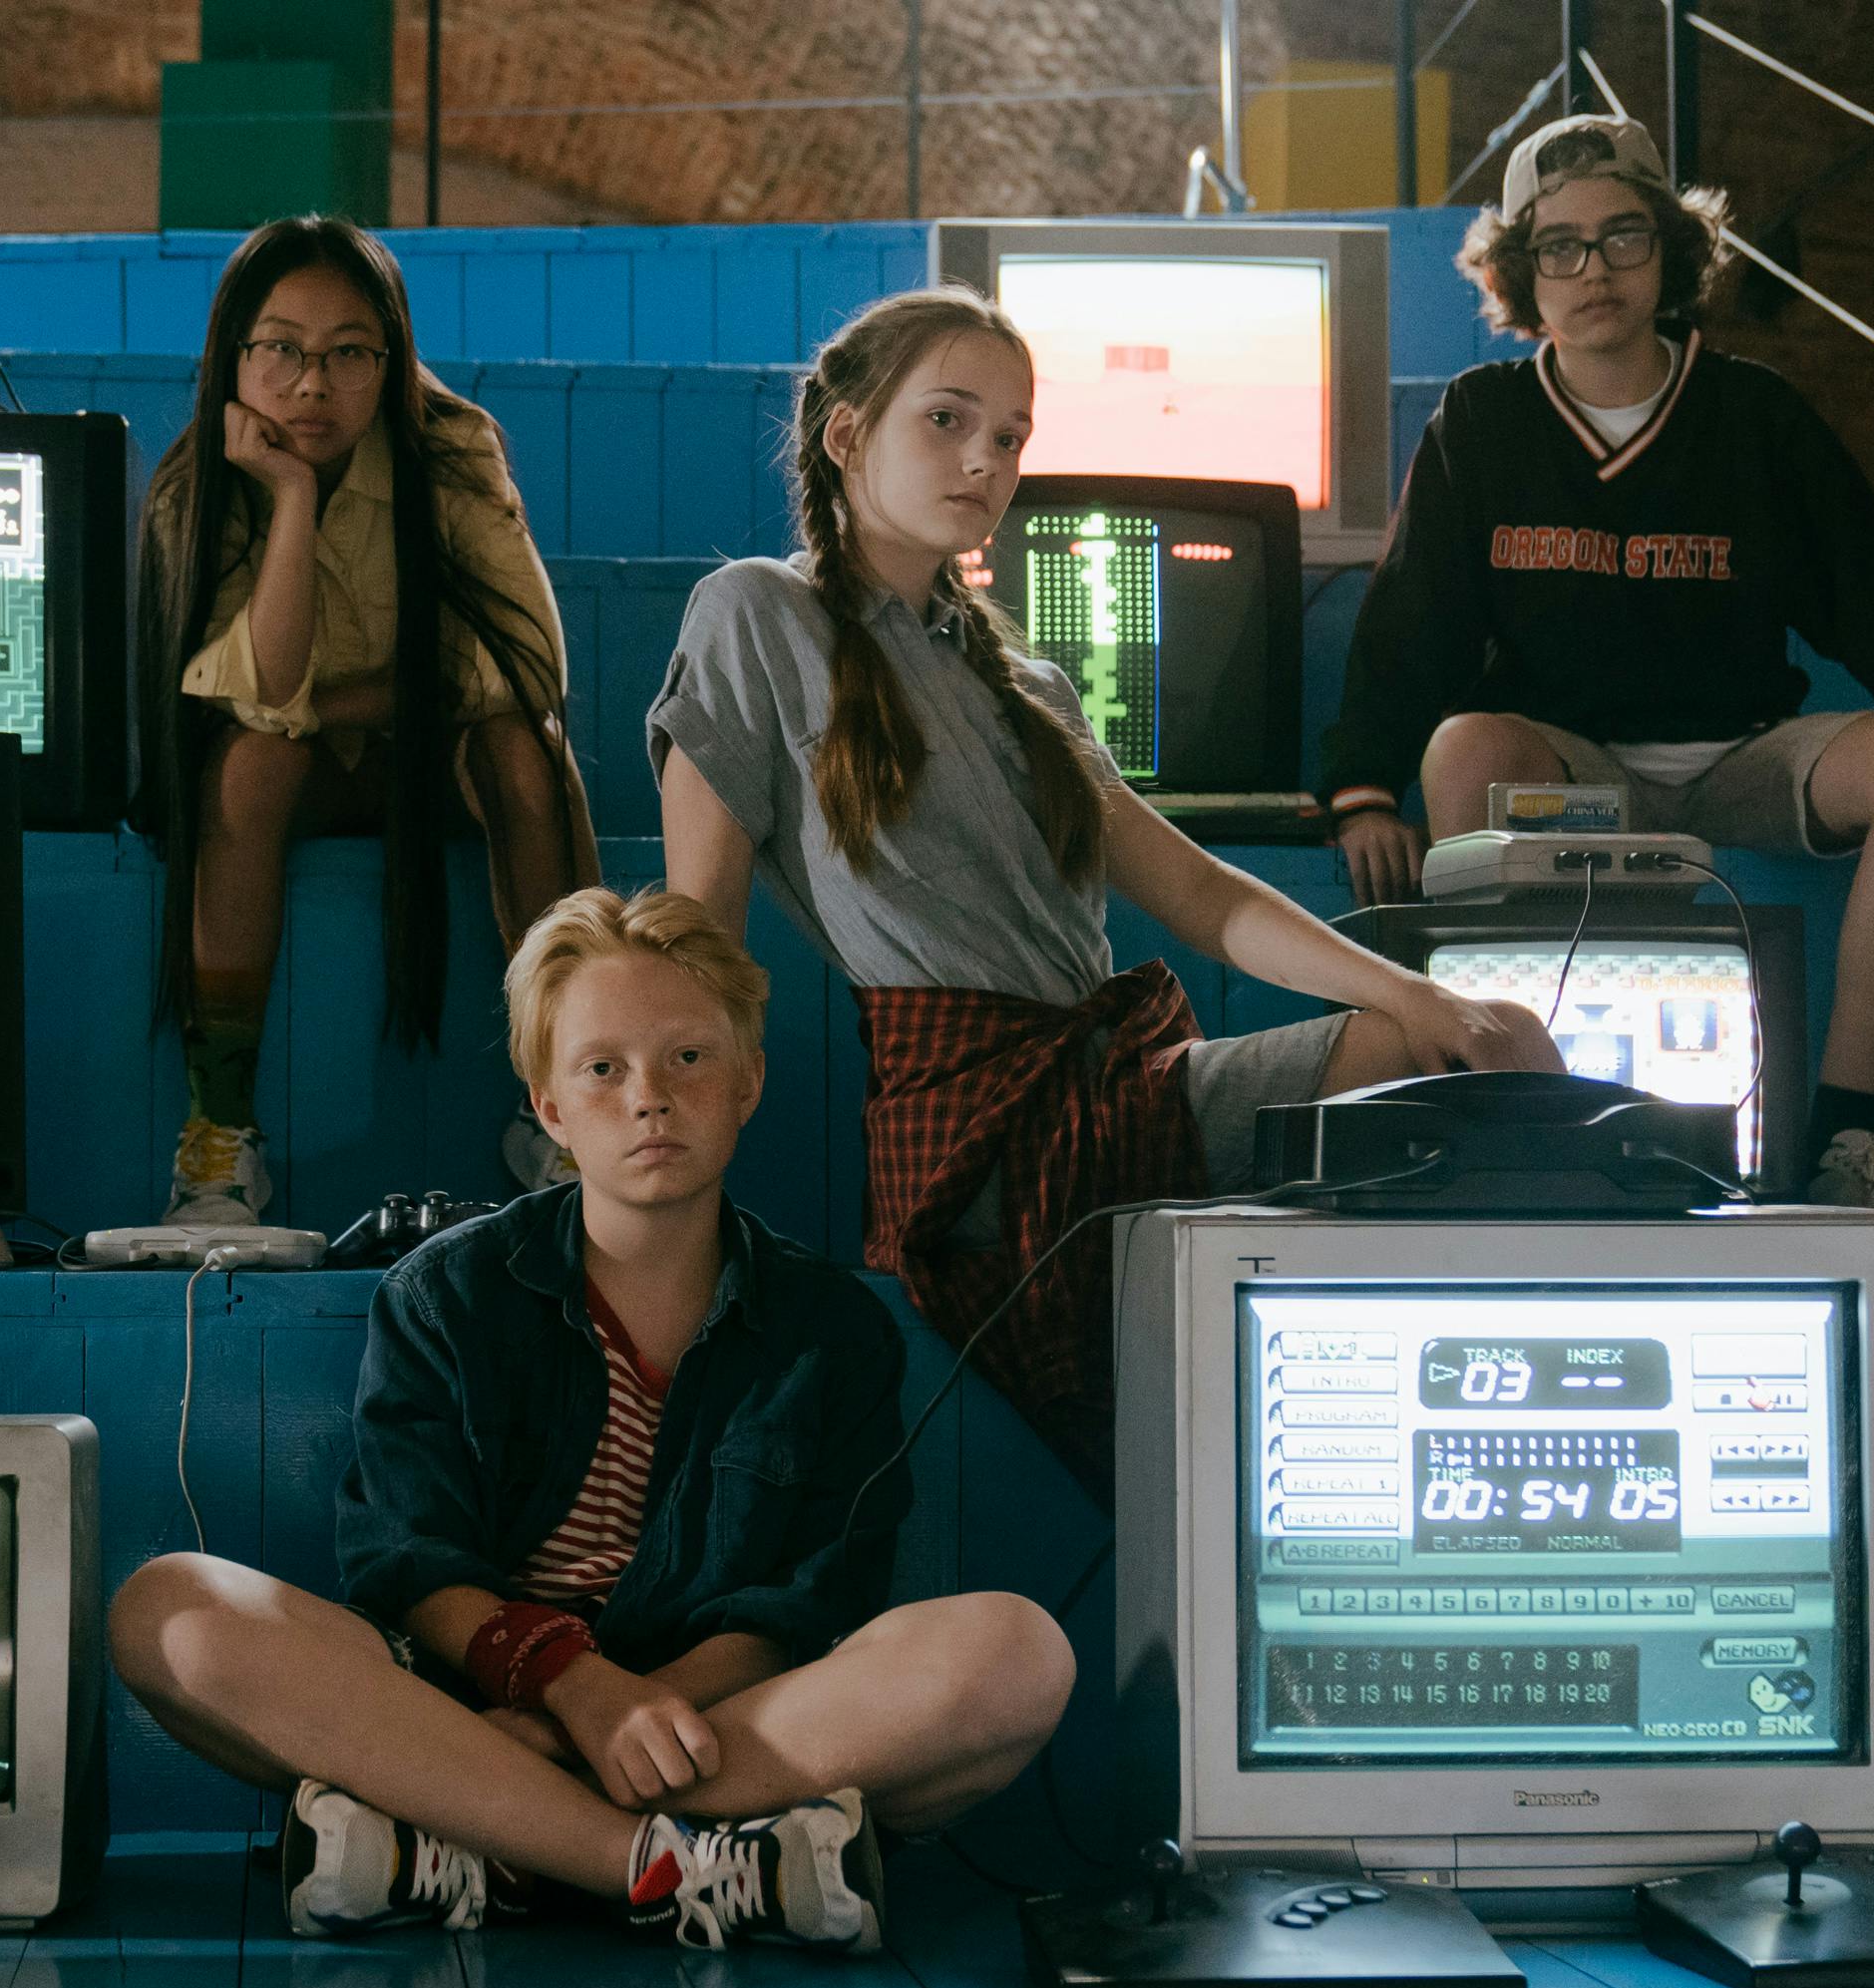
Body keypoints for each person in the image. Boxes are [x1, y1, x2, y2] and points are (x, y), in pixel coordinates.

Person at [653, 286, 1560, 1486]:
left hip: (1116, 1086)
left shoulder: (1026, 676)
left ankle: (1516, 1455)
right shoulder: (755, 612)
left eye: (1011, 435)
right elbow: (698, 936)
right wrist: (673, 1202)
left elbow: (1201, 896)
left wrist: (1425, 995)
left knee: (1490, 1042)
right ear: (844, 433)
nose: (984, 458)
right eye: (947, 420)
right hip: (972, 1136)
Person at [108, 887, 1074, 1950]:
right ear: (551, 1108)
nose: (648, 1098)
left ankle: (478, 1843)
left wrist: (621, 1717)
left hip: (701, 1719)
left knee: (1017, 1654)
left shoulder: (829, 1329)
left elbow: (797, 1607)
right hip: (471, 1703)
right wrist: (574, 1688)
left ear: (747, 1077)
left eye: (689, 1059)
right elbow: (412, 1566)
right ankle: (665, 1868)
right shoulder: (445, 1295)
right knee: (168, 1609)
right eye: (602, 1068)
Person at [1320, 113, 1874, 1243]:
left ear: (1672, 252)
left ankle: (1846, 1140)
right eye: (1559, 245)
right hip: (1570, 775)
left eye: (1624, 236)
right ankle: (1541, 1118)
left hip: (1741, 759)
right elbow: (1409, 626)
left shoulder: (1752, 416)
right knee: (1462, 746)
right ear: (1521, 270)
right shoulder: (1483, 421)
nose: (1594, 270)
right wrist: (1361, 786)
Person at [140, 213, 601, 1228]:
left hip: (436, 758)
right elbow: (251, 696)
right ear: (236, 352)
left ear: (389, 357)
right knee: (251, 764)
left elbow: (525, 661)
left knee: (528, 754)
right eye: (283, 350)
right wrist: (291, 499)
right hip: (301, 769)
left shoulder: (451, 450)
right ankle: (217, 1136)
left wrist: (332, 704)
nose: (313, 383)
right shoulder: (198, 486)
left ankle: (573, 1112)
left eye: (349, 352)